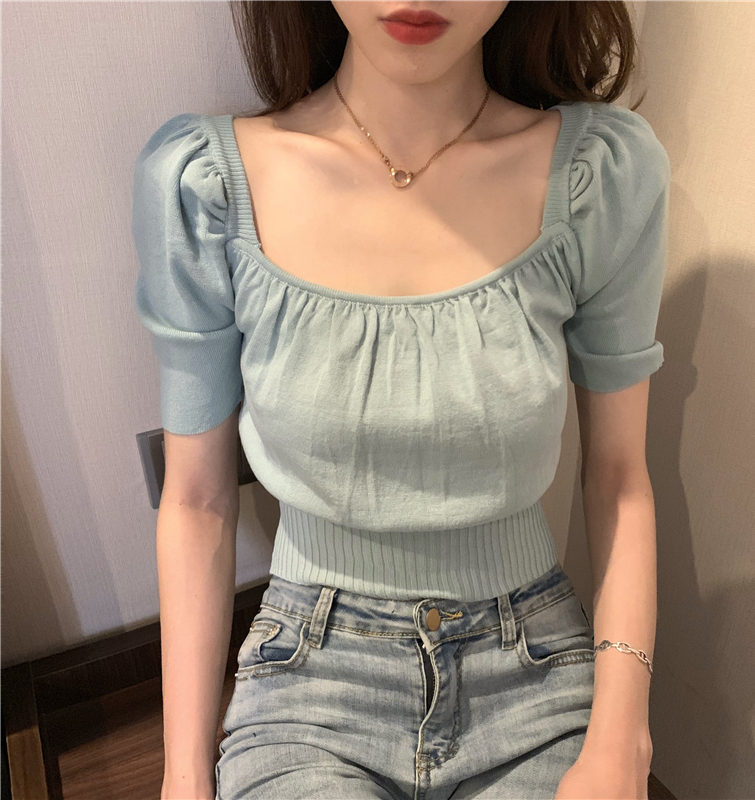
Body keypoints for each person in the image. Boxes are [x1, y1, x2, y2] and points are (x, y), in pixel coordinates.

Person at [132, 2, 669, 798]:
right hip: (309, 683)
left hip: (534, 674)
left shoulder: (600, 177)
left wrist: (622, 741)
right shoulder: (205, 186)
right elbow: (197, 499)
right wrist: (183, 778)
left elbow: (620, 480)